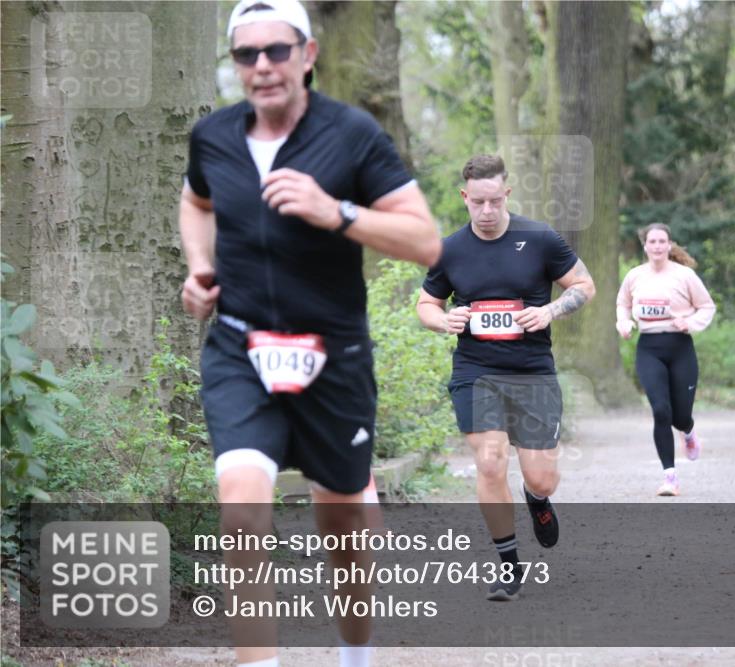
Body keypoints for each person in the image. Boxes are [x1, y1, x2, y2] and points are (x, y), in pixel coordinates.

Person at [178, 1, 440, 665]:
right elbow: (196, 199)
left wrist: (338, 211)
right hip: (240, 345)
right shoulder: (213, 137)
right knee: (241, 504)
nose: (262, 67)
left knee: (346, 526)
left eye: (277, 51)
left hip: (333, 354)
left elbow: (426, 239)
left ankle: (356, 653)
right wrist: (200, 266)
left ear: (308, 54)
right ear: (235, 62)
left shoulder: (350, 135)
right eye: (246, 55)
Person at [416, 155, 595, 601]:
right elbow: (425, 304)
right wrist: (445, 321)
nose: (488, 210)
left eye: (495, 200)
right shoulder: (450, 249)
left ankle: (537, 501)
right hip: (477, 372)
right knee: (490, 462)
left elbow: (584, 286)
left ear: (507, 194)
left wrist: (550, 309)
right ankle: (510, 566)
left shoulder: (539, 239)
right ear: (465, 198)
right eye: (478, 202)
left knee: (541, 479)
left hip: (533, 371)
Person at [616, 223, 715, 497]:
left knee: (680, 416)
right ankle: (670, 477)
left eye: (662, 241)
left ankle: (689, 431)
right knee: (660, 410)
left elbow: (707, 306)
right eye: (652, 241)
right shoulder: (635, 276)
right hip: (649, 348)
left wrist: (690, 322)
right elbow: (622, 303)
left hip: (680, 346)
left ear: (670, 245)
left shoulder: (685, 276)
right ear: (645, 246)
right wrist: (623, 323)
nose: (657, 246)